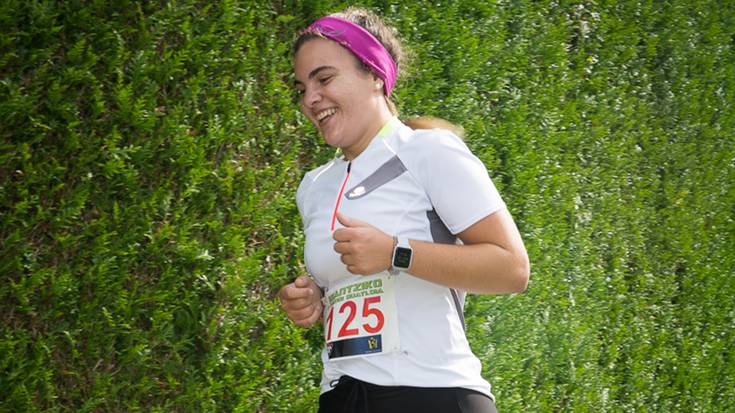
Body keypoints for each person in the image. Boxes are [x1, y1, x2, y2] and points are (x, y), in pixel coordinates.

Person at [278, 7, 529, 413]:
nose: (310, 98)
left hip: (434, 393)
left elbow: (512, 268)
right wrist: (314, 299)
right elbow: (362, 292)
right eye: (301, 88)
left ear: (374, 74)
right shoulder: (314, 186)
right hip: (341, 396)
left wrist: (396, 252)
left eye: (324, 79)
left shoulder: (429, 151)